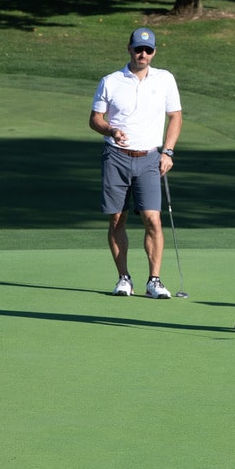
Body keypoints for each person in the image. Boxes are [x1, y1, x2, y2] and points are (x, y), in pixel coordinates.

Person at [90, 28, 183, 298]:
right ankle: (124, 278)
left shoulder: (165, 79)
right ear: (129, 49)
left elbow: (175, 116)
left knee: (152, 218)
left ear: (154, 52)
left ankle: (154, 281)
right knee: (117, 218)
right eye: (138, 49)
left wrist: (168, 152)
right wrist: (111, 130)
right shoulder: (111, 81)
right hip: (116, 157)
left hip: (149, 158)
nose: (143, 54)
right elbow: (95, 119)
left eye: (148, 50)